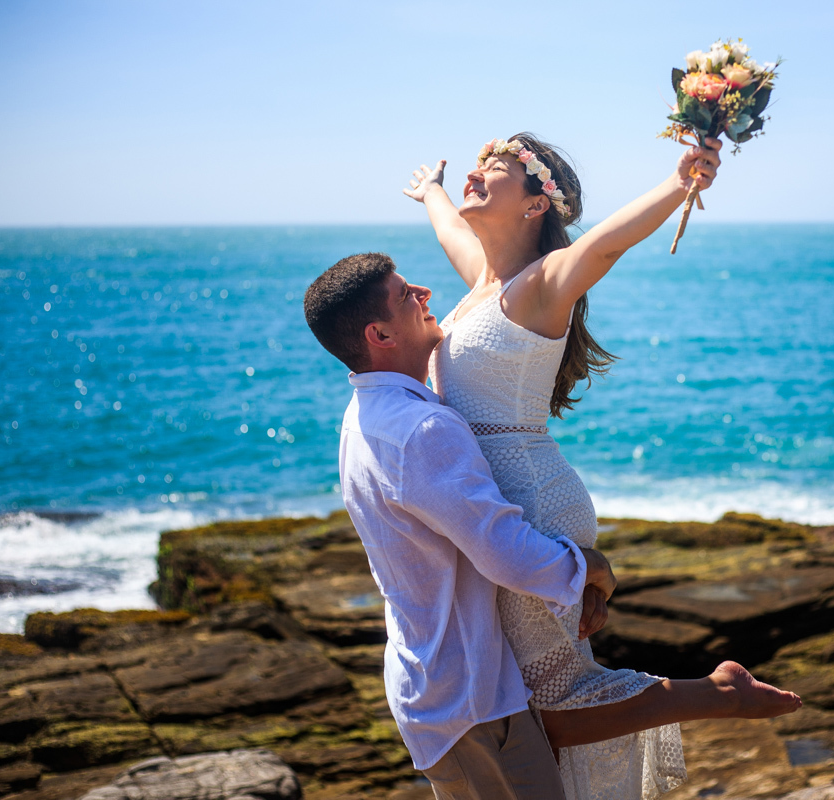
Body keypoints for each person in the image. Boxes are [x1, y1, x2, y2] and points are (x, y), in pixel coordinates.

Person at [305, 251, 803, 800]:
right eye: (405, 295)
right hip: (466, 699)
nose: (423, 293)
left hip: (440, 686)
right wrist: (587, 566)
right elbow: (504, 553)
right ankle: (719, 695)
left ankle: (716, 694)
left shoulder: (365, 417)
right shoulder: (421, 428)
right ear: (379, 333)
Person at [403, 132, 802, 799]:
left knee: (553, 707)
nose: (478, 172)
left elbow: (607, 242)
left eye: (496, 169)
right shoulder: (482, 283)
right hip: (498, 507)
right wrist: (434, 190)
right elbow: (450, 231)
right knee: (531, 706)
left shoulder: (540, 288)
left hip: (529, 499)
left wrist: (682, 183)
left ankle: (718, 692)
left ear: (536, 205)